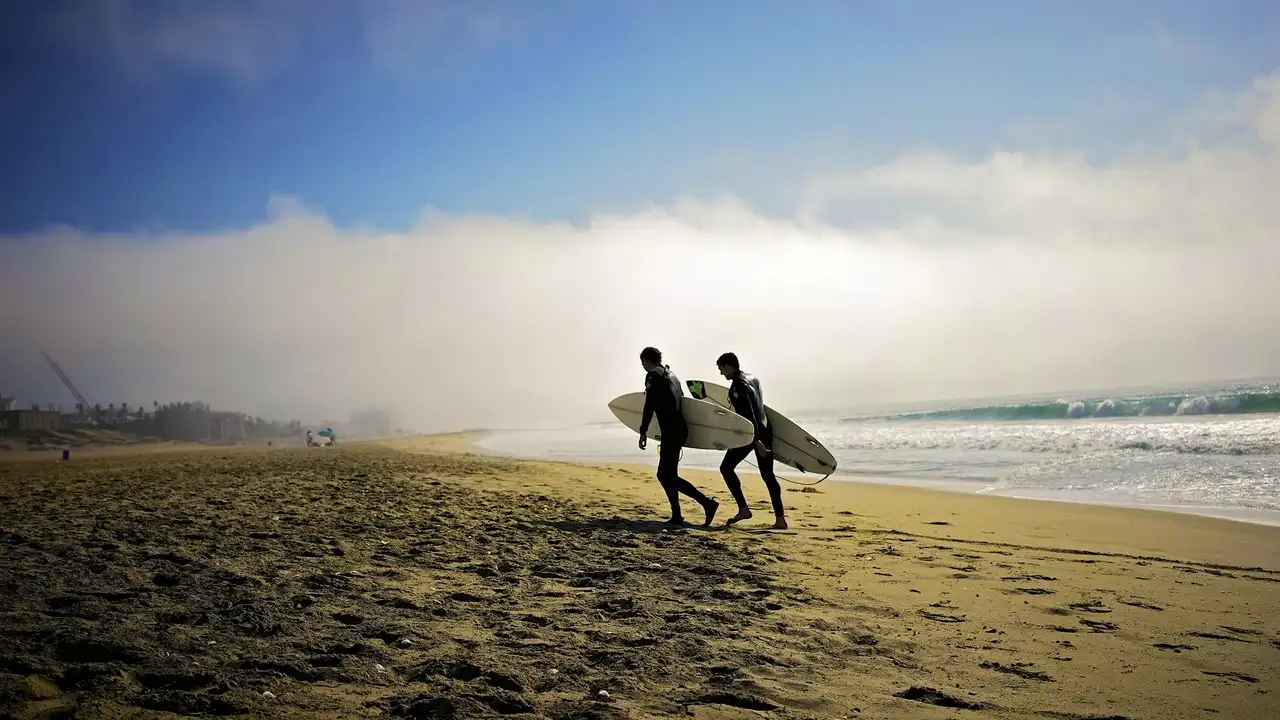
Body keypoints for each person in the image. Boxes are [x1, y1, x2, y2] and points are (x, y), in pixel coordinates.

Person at [637, 346, 719, 527]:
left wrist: (643, 431)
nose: (642, 366)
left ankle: (706, 503)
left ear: (646, 360)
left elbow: (649, 404)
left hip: (671, 432)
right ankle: (678, 515)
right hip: (679, 429)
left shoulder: (652, 375)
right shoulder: (672, 375)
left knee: (664, 475)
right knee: (668, 474)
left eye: (642, 362)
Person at [716, 352, 787, 529]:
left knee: (726, 468)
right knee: (768, 475)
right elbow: (759, 407)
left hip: (751, 435)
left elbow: (748, 414)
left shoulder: (737, 387)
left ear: (729, 366)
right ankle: (780, 519)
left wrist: (756, 441)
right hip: (766, 430)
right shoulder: (752, 379)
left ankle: (743, 509)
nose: (721, 373)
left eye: (721, 369)